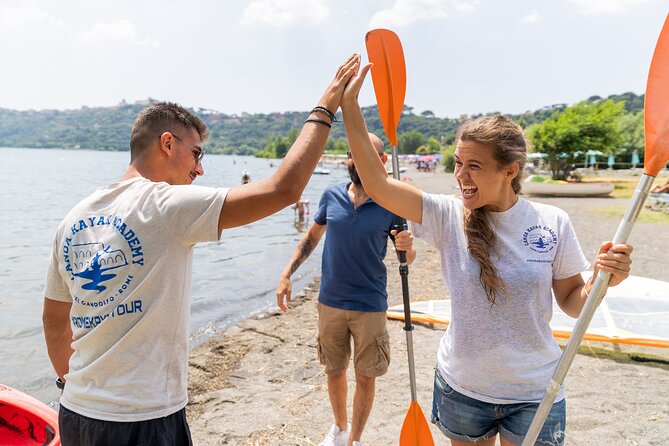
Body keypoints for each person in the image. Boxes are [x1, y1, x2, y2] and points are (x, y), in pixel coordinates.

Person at [41, 53, 361, 446]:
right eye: (197, 154)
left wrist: (71, 387)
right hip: (141, 419)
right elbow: (283, 190)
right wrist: (325, 107)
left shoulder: (74, 217)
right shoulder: (164, 205)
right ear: (167, 144)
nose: (200, 170)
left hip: (76, 414)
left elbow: (55, 322)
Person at [339, 64, 633, 446]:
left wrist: (602, 281)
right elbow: (377, 184)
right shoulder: (446, 215)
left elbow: (572, 303)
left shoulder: (551, 221)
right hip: (463, 387)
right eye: (459, 163)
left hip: (535, 389)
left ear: (510, 170)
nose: (461, 175)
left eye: (474, 166)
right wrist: (350, 107)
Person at [276, 133, 416, 446]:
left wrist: (408, 246)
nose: (357, 159)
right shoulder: (331, 195)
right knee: (334, 370)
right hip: (331, 302)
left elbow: (405, 255)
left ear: (381, 161)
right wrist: (286, 274)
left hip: (370, 303)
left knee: (366, 376)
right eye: (353, 153)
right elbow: (310, 239)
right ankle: (339, 429)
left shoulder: (390, 201)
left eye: (367, 153)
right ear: (348, 160)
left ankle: (355, 438)